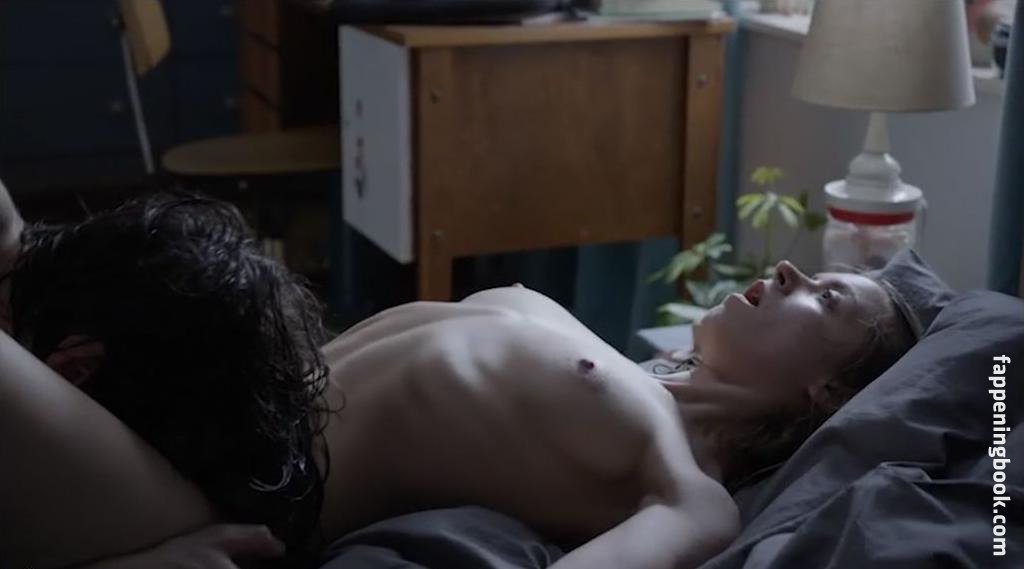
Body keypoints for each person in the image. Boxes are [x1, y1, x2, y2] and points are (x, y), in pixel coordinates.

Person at [0, 183, 917, 569]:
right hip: (184, 393)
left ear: (828, 393)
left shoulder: (691, 489)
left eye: (828, 296)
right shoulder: (615, 359)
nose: (790, 271)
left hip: (208, 492)